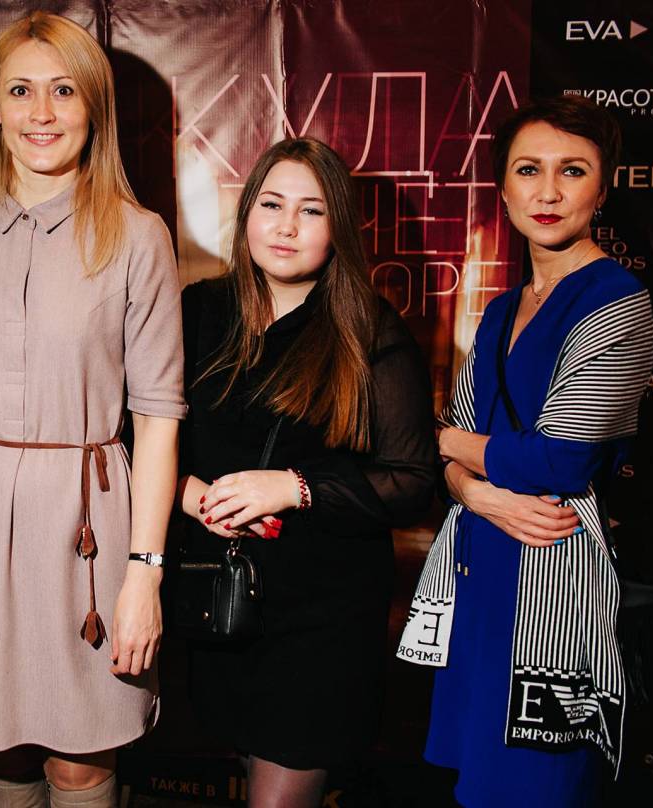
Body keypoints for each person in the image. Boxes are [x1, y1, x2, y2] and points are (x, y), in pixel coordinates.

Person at [0, 12, 184, 808]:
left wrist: (144, 573)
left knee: (80, 760)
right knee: (0, 751)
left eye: (63, 91)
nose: (41, 113)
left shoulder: (139, 236)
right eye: (20, 91)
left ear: (94, 106)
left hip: (86, 531)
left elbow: (158, 418)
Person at [398, 95, 653, 807]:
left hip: (554, 578)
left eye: (571, 171)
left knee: (539, 784)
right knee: (478, 781)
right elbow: (454, 456)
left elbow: (558, 461)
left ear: (602, 189)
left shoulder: (617, 299)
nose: (547, 192)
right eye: (527, 169)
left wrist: (447, 444)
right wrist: (473, 489)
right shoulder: (501, 309)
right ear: (503, 188)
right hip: (478, 569)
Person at [178, 137, 437, 807]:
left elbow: (414, 480)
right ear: (246, 214)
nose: (286, 226)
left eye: (311, 210)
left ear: (337, 227)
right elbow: (134, 434)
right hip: (217, 599)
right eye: (271, 204)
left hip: (323, 618)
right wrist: (188, 494)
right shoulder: (197, 312)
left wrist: (294, 488)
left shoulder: (368, 330)